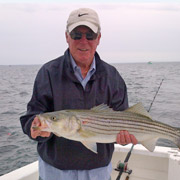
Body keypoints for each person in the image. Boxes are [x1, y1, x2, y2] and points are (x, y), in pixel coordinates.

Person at [20, 8, 137, 180]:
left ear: (99, 38)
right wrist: (34, 127)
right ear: (67, 36)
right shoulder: (48, 73)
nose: (84, 41)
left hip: (98, 173)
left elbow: (124, 119)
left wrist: (125, 137)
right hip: (55, 172)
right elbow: (31, 117)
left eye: (90, 35)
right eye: (76, 34)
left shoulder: (113, 76)